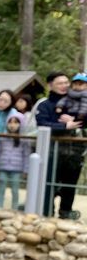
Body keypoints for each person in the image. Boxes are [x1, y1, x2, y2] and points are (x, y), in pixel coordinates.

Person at [36, 71, 84, 219]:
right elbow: (42, 124)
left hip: (74, 152)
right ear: (50, 85)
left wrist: (75, 119)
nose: (64, 86)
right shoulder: (44, 105)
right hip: (51, 152)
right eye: (60, 83)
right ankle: (46, 211)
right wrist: (64, 126)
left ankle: (66, 212)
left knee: (70, 185)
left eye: (66, 82)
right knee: (49, 183)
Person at [0, 111, 31, 209]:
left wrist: (26, 170)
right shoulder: (2, 138)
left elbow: (26, 156)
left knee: (15, 190)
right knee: (1, 188)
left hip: (17, 169)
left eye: (15, 122)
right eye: (10, 122)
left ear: (20, 124)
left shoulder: (24, 139)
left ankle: (14, 209)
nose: (12, 125)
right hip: (3, 167)